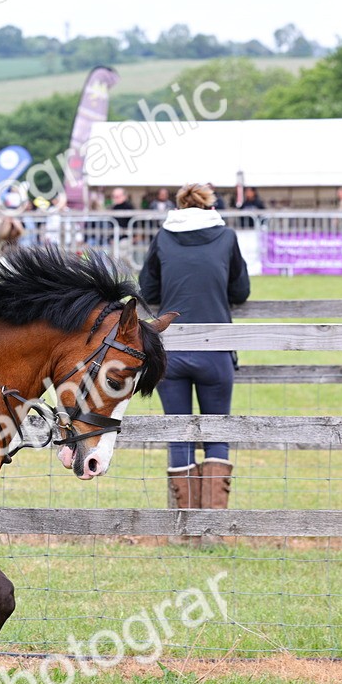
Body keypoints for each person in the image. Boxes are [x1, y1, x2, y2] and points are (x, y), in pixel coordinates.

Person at [139, 183, 250, 528]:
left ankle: (186, 527)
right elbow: (241, 291)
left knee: (179, 435)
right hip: (215, 349)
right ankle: (213, 527)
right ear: (209, 204)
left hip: (171, 351)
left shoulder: (163, 237)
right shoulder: (227, 237)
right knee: (217, 433)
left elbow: (148, 289)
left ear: (178, 204)